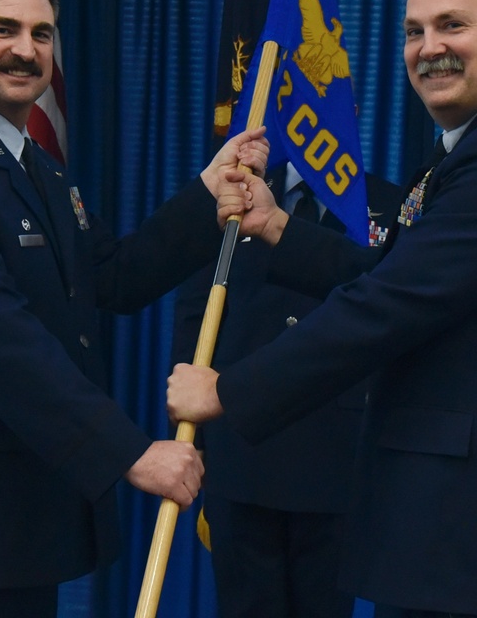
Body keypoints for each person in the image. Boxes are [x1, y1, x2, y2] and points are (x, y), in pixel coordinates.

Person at [168, 0, 477, 618]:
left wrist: (229, 390)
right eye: (414, 31)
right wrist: (277, 228)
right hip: (463, 533)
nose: (429, 48)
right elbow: (398, 274)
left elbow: (387, 306)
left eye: (451, 26)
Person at [0, 0, 268, 618]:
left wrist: (206, 194)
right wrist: (129, 452)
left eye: (42, 34)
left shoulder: (38, 168)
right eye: (4, 29)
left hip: (23, 524)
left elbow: (114, 276)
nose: (26, 50)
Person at [171, 160, 402, 618]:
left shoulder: (389, 204)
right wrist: (189, 436)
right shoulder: (233, 196)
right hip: (242, 452)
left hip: (339, 455)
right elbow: (195, 320)